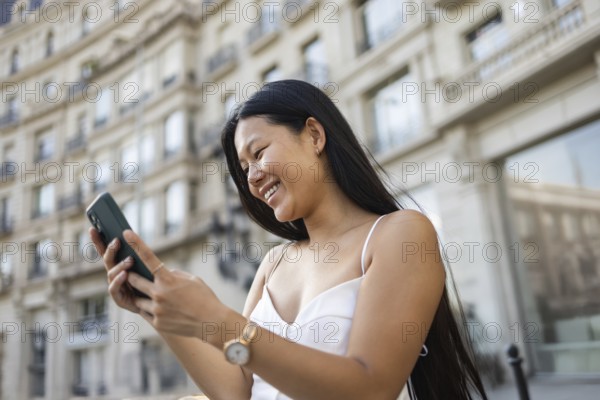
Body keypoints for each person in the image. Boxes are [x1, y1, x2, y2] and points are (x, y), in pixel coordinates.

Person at [91, 80, 489, 400]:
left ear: (314, 134)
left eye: (259, 153)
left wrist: (218, 322)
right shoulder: (275, 264)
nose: (251, 178)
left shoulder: (400, 234)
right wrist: (156, 308)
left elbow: (370, 387)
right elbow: (237, 390)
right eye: (243, 169)